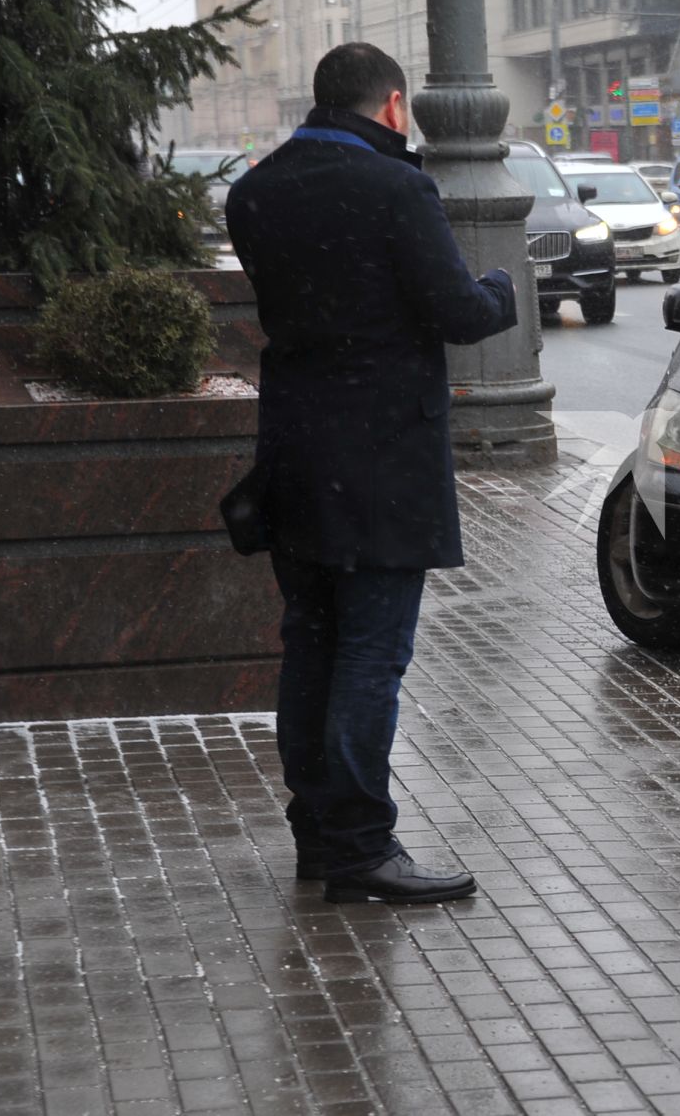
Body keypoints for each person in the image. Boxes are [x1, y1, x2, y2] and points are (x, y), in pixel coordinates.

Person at [225, 44, 518, 905]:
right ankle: (362, 847)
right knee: (370, 654)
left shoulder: (256, 191)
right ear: (393, 106)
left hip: (295, 454)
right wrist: (501, 284)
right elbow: (458, 312)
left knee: (309, 642)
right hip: (383, 460)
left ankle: (320, 835)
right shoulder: (396, 189)